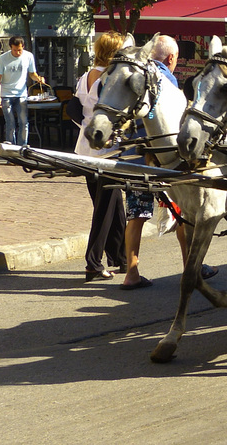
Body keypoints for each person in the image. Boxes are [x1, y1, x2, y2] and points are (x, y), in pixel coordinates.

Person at [120, 35, 219, 290]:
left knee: (137, 215)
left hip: (135, 157)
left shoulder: (136, 73)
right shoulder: (167, 80)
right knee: (183, 213)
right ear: (172, 58)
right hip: (165, 161)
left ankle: (131, 272)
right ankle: (191, 267)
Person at [75, 31, 128, 282]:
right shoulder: (110, 78)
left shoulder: (86, 76)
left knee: (113, 205)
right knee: (105, 208)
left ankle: (120, 257)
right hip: (107, 149)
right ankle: (93, 263)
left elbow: (75, 109)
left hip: (84, 148)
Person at [0, 36, 45, 145]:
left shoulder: (29, 56)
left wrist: (39, 79)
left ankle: (23, 149)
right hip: (6, 94)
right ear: (10, 48)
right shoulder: (3, 58)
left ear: (23, 47)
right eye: (15, 50)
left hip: (21, 94)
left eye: (20, 50)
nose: (18, 52)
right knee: (10, 123)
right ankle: (11, 151)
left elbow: (32, 74)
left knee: (23, 122)